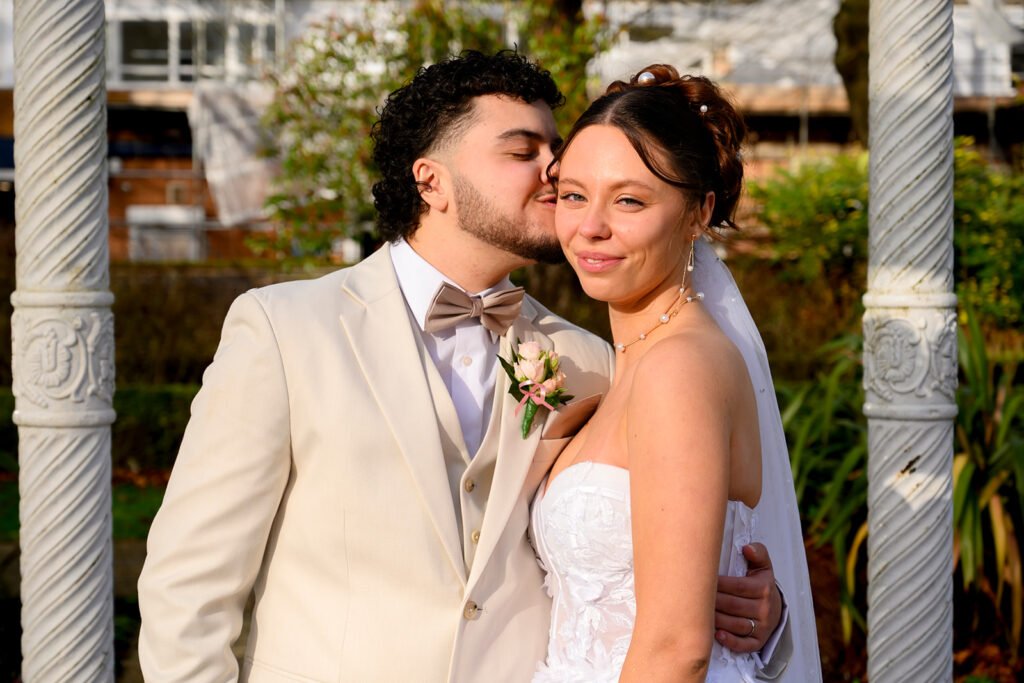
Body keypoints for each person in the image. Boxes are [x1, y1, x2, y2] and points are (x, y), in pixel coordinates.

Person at [137, 51, 789, 682]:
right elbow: (188, 590)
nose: (554, 170)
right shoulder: (284, 331)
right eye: (522, 150)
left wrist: (769, 622)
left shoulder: (591, 363)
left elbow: (649, 577)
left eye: (554, 149)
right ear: (432, 180)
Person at [529, 65, 821, 682]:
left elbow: (676, 648)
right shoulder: (622, 365)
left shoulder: (679, 367)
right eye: (575, 194)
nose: (591, 227)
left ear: (698, 212)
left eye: (629, 199)